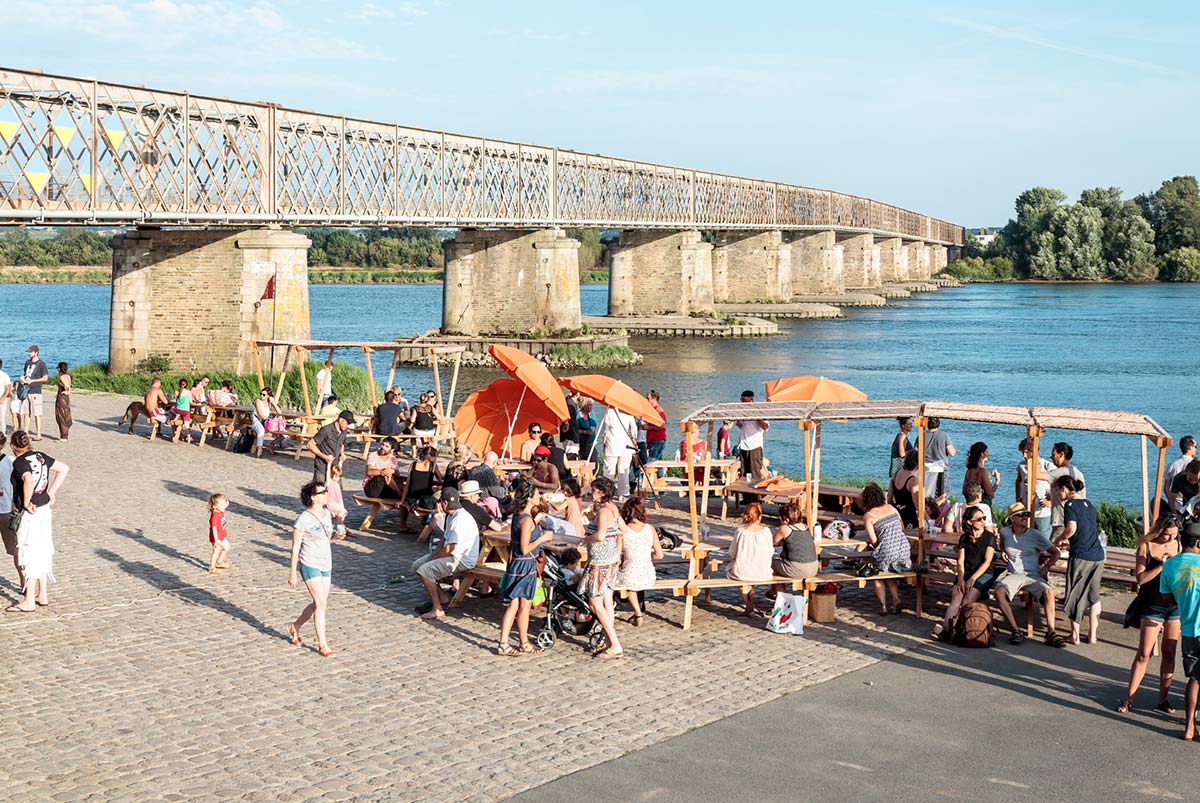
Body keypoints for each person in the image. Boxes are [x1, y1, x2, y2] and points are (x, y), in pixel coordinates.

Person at [1118, 514, 1182, 714]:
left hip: (1174, 604)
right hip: (1152, 604)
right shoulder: (1145, 547)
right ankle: (1129, 699)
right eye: (1166, 535)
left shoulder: (1178, 546)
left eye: (1174, 536)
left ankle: (1163, 699)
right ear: (1158, 531)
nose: (1170, 540)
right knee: (1144, 654)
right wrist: (1162, 566)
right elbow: (1140, 579)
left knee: (1170, 652)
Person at [6, 431, 69, 612]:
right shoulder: (40, 456)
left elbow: (28, 479)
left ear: (13, 446)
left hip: (31, 511)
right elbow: (63, 469)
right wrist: (51, 493)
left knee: (29, 549)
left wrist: (26, 501)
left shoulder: (19, 462)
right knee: (43, 548)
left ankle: (29, 600)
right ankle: (42, 594)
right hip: (44, 508)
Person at [992, 502, 1063, 647]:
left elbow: (1056, 552)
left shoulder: (1035, 535)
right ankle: (1015, 630)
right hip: (1014, 574)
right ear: (1012, 519)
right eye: (1020, 515)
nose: (1025, 517)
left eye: (1026, 514)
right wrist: (1004, 551)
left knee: (1049, 592)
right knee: (999, 592)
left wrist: (1047, 567)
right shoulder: (1005, 532)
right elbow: (1002, 545)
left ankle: (1051, 632)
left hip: (1033, 575)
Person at [286, 480, 343, 657]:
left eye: (326, 491)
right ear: (312, 497)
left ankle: (295, 626)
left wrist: (336, 538)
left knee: (320, 602)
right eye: (322, 492)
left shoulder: (327, 514)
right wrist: (293, 573)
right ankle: (323, 644)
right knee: (321, 603)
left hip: (326, 562)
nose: (326, 494)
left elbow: (325, 539)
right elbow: (295, 547)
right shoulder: (302, 519)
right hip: (309, 563)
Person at [497, 480, 554, 654]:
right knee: (522, 605)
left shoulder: (520, 515)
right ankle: (513, 642)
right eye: (537, 494)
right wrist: (542, 539)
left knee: (516, 604)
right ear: (529, 497)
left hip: (517, 564)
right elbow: (524, 548)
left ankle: (512, 643)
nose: (539, 496)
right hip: (524, 565)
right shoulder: (526, 520)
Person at [410, 488, 480, 622]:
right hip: (453, 554)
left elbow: (449, 548)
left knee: (424, 570)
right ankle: (442, 597)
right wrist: (432, 557)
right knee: (417, 565)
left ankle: (437, 609)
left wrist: (432, 560)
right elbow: (444, 540)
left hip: (461, 559)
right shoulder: (451, 515)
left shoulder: (459, 519)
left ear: (445, 503)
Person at [931, 503, 996, 638]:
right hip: (967, 570)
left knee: (968, 598)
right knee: (957, 595)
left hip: (983, 573)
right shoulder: (964, 538)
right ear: (969, 522)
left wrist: (972, 579)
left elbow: (987, 562)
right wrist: (960, 579)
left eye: (983, 518)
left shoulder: (989, 537)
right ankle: (946, 628)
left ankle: (957, 627)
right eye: (979, 519)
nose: (983, 521)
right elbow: (960, 561)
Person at [1160, 526, 1200, 740]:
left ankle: (1189, 727)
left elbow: (1166, 599)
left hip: (1188, 630)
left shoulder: (1169, 565)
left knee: (1195, 678)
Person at [1053, 475, 1103, 645]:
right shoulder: (1089, 504)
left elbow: (1071, 529)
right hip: (1097, 554)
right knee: (1093, 595)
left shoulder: (1070, 504)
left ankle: (1074, 635)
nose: (1058, 495)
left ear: (1064, 488)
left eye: (1057, 491)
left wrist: (1059, 540)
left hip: (1081, 554)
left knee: (1075, 592)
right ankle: (1092, 635)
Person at [581, 477, 624, 659]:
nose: (591, 493)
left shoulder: (605, 512)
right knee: (607, 602)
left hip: (600, 561)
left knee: (595, 603)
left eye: (594, 490)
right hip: (611, 559)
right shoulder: (613, 508)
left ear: (603, 492)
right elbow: (622, 530)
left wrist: (584, 540)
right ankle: (608, 640)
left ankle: (614, 643)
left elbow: (599, 536)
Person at [861, 482, 912, 615]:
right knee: (887, 571)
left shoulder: (869, 516)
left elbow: (873, 541)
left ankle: (883, 606)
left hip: (887, 550)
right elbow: (902, 528)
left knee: (877, 574)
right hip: (904, 549)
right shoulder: (892, 508)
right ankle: (895, 599)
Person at [614, 495, 662, 627]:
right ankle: (637, 613)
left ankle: (637, 613)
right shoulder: (650, 528)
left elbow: (617, 556)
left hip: (630, 572)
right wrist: (644, 556)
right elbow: (659, 555)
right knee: (631, 583)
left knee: (620, 583)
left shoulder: (622, 531)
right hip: (648, 573)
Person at [726, 502, 774, 616]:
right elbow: (771, 551)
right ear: (760, 516)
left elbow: (732, 552)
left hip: (743, 571)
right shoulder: (766, 531)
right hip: (762, 571)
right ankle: (750, 593)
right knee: (750, 567)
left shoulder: (740, 531)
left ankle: (748, 603)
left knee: (738, 569)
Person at [1015, 436, 1054, 536]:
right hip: (1026, 510)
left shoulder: (1047, 466)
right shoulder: (1022, 466)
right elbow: (1018, 481)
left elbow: (1058, 487)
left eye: (1026, 452)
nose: (1024, 455)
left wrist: (1051, 501)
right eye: (1022, 452)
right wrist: (1018, 498)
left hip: (1042, 512)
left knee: (1043, 539)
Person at [735, 390, 770, 501]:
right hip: (744, 444)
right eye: (741, 400)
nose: (742, 402)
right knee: (744, 472)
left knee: (755, 472)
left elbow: (766, 427)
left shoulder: (759, 410)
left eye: (743, 399)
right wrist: (739, 423)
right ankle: (746, 497)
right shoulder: (742, 411)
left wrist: (756, 417)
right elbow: (740, 425)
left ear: (750, 399)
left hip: (755, 445)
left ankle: (756, 498)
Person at [398, 445, 442, 532]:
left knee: (409, 503)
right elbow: (440, 480)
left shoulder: (413, 464)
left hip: (412, 497)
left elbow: (408, 484)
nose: (436, 458)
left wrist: (403, 500)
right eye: (435, 456)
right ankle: (428, 523)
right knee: (434, 501)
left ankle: (403, 524)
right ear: (430, 456)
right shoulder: (433, 466)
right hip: (425, 498)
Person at [773, 501, 818, 585]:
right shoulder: (805, 526)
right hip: (814, 568)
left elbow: (773, 542)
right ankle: (776, 592)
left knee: (771, 563)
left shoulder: (785, 528)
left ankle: (778, 591)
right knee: (779, 564)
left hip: (797, 569)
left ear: (785, 519)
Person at [1047, 442, 1085, 540]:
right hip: (1076, 521)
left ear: (1062, 454)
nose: (1051, 457)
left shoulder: (1061, 471)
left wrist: (1032, 456)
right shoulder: (1078, 473)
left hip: (1062, 521)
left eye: (1053, 454)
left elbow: (1037, 475)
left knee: (1052, 550)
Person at [599, 404, 638, 499]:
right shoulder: (629, 412)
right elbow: (634, 431)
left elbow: (605, 430)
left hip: (612, 444)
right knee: (623, 471)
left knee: (609, 470)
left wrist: (604, 438)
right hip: (625, 445)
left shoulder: (609, 411)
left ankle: (608, 492)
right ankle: (622, 493)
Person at [307, 410, 354, 483]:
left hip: (335, 468)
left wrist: (342, 454)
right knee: (319, 491)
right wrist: (324, 457)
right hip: (322, 466)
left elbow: (342, 444)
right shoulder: (326, 430)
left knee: (337, 492)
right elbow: (310, 445)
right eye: (347, 423)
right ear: (341, 420)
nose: (348, 426)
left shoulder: (344, 431)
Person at [18, 345, 48, 441]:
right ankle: (25, 432)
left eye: (31, 352)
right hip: (26, 390)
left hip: (36, 390)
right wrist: (22, 378)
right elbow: (25, 374)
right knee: (26, 412)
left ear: (36, 352)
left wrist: (33, 381)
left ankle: (38, 434)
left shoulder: (41, 364)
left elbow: (45, 378)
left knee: (37, 413)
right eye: (29, 352)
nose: (29, 353)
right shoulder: (27, 363)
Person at [922, 417, 955, 500]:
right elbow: (952, 452)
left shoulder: (922, 435)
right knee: (943, 494)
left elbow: (916, 451)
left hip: (926, 469)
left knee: (927, 494)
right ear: (938, 424)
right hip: (941, 469)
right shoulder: (943, 435)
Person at [888, 451, 921, 529]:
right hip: (909, 517)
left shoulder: (896, 475)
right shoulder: (913, 480)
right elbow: (917, 502)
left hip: (897, 514)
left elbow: (889, 498)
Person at [0, 433, 15, 590]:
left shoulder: (10, 461)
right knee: (15, 551)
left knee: (15, 551)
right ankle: (24, 582)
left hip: (5, 509)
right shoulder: (10, 461)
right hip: (6, 509)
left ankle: (24, 581)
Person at [1163, 436, 1196, 508]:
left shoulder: (1172, 464)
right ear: (1189, 447)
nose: (1196, 449)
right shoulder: (1196, 464)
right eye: (1195, 446)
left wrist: (1171, 500)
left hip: (1176, 503)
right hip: (1193, 503)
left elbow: (1166, 489)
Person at [251, 388, 281, 458]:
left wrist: (274, 403)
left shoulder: (269, 403)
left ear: (268, 396)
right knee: (261, 430)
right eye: (261, 394)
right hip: (258, 421)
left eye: (264, 395)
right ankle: (259, 449)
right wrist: (269, 420)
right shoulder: (258, 401)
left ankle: (271, 445)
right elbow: (260, 414)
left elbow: (279, 412)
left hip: (267, 422)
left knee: (284, 433)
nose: (261, 396)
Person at [207, 493, 231, 574]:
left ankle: (219, 561)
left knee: (227, 547)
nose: (224, 506)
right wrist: (216, 540)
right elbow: (214, 529)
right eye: (222, 504)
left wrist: (225, 503)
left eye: (225, 503)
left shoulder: (221, 510)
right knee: (216, 551)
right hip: (216, 537)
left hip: (222, 535)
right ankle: (212, 567)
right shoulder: (215, 516)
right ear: (214, 506)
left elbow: (226, 504)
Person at [326, 464, 349, 536]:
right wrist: (329, 464)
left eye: (339, 476)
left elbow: (339, 468)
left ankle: (340, 531)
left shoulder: (337, 483)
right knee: (342, 513)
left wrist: (341, 462)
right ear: (331, 474)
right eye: (336, 476)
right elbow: (327, 473)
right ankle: (340, 530)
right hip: (332, 503)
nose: (338, 478)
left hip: (338, 503)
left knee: (341, 517)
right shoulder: (329, 482)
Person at [171, 378, 193, 444]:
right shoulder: (189, 392)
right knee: (187, 425)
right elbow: (191, 402)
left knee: (172, 408)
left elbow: (175, 400)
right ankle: (189, 438)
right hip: (186, 411)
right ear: (186, 384)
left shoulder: (177, 391)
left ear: (179, 384)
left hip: (179, 410)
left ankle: (177, 415)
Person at [53, 362, 72, 441]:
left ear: (60, 369)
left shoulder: (62, 377)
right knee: (66, 414)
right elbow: (69, 386)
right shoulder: (68, 376)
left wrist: (66, 390)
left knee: (61, 416)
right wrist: (68, 392)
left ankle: (63, 436)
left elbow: (67, 386)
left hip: (61, 398)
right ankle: (64, 434)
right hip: (66, 398)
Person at [0, 359, 10, 435]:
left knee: (1, 419)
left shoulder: (4, 376)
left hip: (1, 400)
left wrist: (3, 398)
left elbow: (7, 388)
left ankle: (2, 435)